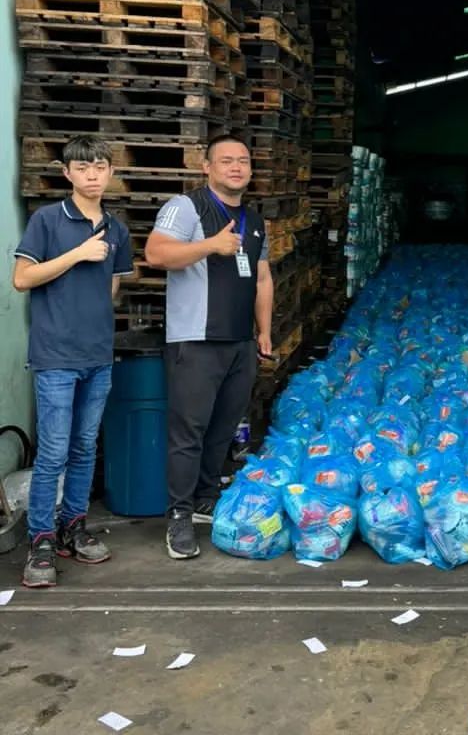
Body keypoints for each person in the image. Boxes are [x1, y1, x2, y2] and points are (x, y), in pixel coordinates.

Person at [145, 133, 274, 560]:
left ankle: (203, 498)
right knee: (189, 432)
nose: (236, 167)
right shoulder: (187, 207)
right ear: (207, 166)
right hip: (196, 340)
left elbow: (262, 278)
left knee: (223, 429)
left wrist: (264, 332)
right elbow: (157, 254)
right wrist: (210, 246)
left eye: (243, 161)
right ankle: (179, 516)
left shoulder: (254, 220)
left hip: (239, 341)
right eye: (226, 160)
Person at [13, 135, 133, 588]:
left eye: (100, 167)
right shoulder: (48, 220)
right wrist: (78, 254)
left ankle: (72, 526)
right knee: (54, 451)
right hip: (56, 356)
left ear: (110, 173)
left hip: (97, 354)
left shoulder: (117, 229)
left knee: (85, 447)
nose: (92, 175)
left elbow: (112, 287)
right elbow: (22, 278)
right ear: (67, 174)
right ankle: (41, 539)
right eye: (82, 168)